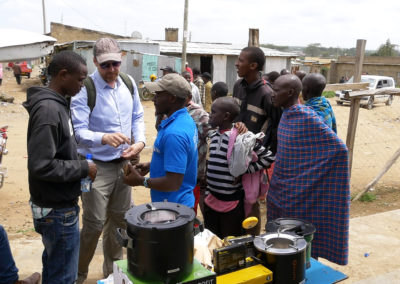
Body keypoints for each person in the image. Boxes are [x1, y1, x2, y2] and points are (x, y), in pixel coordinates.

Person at [70, 37, 146, 282]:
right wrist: (103, 137)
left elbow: (137, 116)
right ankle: (78, 274)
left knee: (120, 223)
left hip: (123, 165)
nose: (112, 70)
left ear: (121, 59)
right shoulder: (85, 89)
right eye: (105, 65)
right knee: (93, 224)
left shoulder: (128, 82)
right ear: (95, 62)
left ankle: (112, 274)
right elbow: (78, 132)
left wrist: (140, 142)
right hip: (94, 166)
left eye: (115, 63)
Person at [23, 50, 97, 283]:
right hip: (57, 211)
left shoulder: (58, 105)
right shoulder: (48, 110)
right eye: (80, 79)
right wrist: (83, 168)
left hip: (57, 207)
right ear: (63, 75)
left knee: (55, 269)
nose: (83, 85)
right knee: (63, 276)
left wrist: (77, 157)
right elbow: (41, 165)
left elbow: (56, 151)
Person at [268, 74, 350, 265]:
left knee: (300, 241)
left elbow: (339, 149)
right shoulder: (288, 113)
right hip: (281, 190)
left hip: (301, 193)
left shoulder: (306, 116)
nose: (272, 94)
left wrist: (312, 176)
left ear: (290, 93)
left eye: (276, 90)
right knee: (282, 243)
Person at [123, 73, 198, 208]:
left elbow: (173, 183)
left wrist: (141, 181)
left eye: (158, 94)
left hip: (173, 209)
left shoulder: (174, 133)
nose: (154, 99)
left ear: (171, 98)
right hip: (177, 203)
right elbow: (180, 160)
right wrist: (153, 165)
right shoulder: (185, 121)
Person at [204, 97, 274, 238]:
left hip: (232, 205)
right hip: (211, 200)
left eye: (213, 112)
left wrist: (244, 170)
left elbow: (269, 158)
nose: (210, 114)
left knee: (230, 242)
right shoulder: (213, 135)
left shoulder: (242, 139)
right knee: (213, 240)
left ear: (226, 116)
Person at [233, 46, 282, 234]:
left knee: (251, 201)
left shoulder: (267, 94)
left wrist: (264, 159)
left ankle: (253, 241)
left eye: (241, 60)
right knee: (236, 199)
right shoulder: (238, 86)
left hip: (254, 161)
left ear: (253, 65)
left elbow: (277, 130)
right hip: (235, 156)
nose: (237, 64)